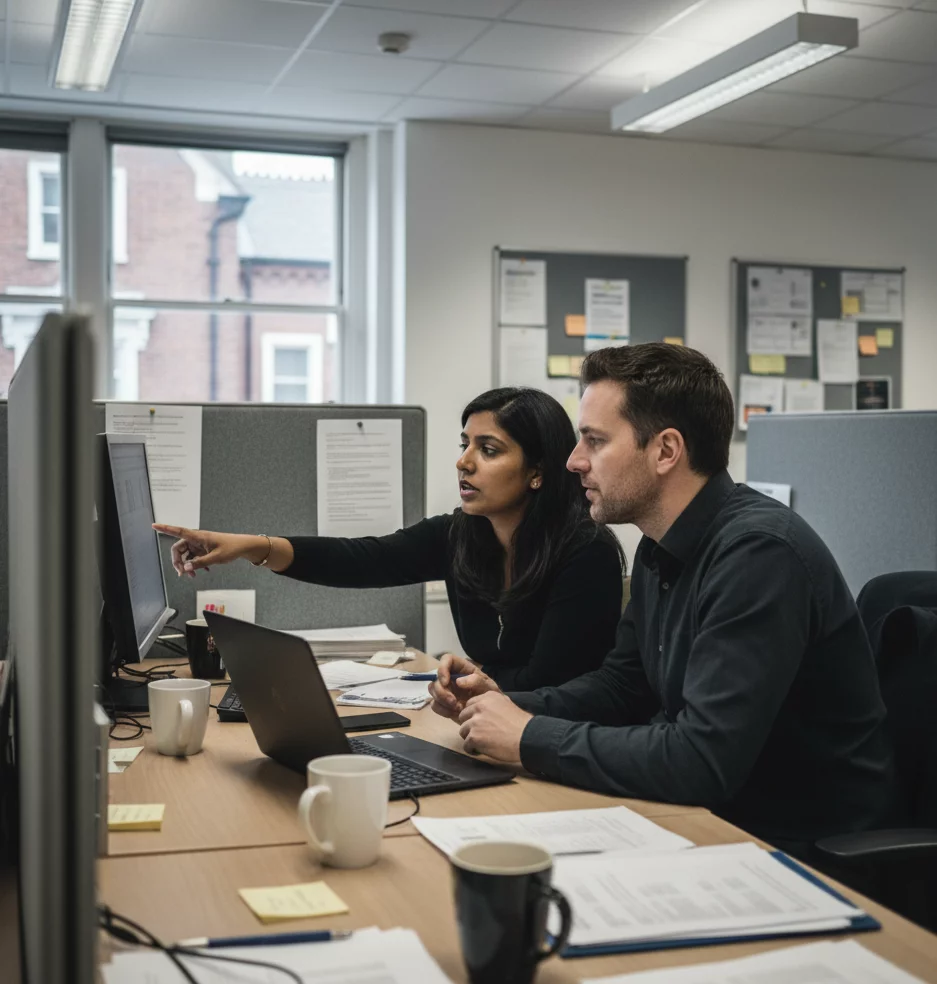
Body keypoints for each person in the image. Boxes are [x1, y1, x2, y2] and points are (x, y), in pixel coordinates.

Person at [429, 344, 893, 855]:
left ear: (666, 451)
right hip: (710, 820)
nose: (573, 461)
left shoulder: (759, 555)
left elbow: (701, 760)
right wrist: (502, 703)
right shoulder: (661, 543)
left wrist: (529, 736)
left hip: (796, 843)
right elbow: (623, 687)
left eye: (595, 440)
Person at [155, 387, 624, 690]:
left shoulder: (584, 553)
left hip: (554, 742)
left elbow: (553, 685)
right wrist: (250, 546)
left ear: (538, 472)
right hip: (489, 725)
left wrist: (481, 682)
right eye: (464, 444)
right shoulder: (461, 536)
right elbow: (365, 560)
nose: (464, 462)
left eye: (488, 450)